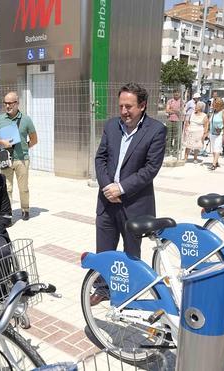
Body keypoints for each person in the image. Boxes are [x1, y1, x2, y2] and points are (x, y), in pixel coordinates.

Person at [91, 82, 166, 306]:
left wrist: (121, 188)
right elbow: (100, 159)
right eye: (121, 106)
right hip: (107, 201)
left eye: (129, 107)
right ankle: (103, 288)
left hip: (134, 204)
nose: (124, 111)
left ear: (142, 105)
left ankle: (130, 292)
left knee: (131, 252)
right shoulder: (112, 125)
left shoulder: (155, 130)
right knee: (104, 250)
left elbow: (150, 169)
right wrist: (108, 187)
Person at [0, 91, 38, 221]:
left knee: (23, 188)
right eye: (5, 103)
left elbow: (34, 139)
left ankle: (25, 209)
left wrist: (24, 147)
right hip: (4, 158)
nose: (7, 106)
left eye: (10, 103)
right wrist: (2, 142)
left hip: (21, 158)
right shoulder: (0, 119)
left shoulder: (26, 119)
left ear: (17, 103)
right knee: (7, 188)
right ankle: (8, 214)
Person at [208, 97, 224, 170]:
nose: (212, 105)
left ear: (218, 104)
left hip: (219, 133)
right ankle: (216, 162)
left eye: (214, 104)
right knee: (213, 149)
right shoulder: (213, 111)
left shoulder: (223, 111)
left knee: (217, 148)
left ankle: (213, 164)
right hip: (212, 132)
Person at [165, 91, 183, 157]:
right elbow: (167, 110)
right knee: (169, 136)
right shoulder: (170, 101)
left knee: (177, 137)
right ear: (173, 94)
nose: (176, 95)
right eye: (175, 93)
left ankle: (175, 151)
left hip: (178, 121)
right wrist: (176, 111)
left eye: (177, 93)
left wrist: (172, 110)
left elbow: (181, 111)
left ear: (180, 94)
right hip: (170, 120)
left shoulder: (181, 102)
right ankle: (167, 151)